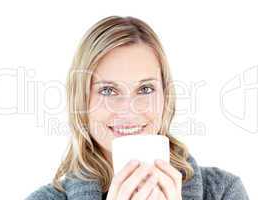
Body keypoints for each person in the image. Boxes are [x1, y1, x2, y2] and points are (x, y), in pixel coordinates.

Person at [26, 16, 250, 200]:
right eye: (108, 91)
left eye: (145, 89)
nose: (129, 110)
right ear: (82, 102)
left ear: (165, 96)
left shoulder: (223, 192)